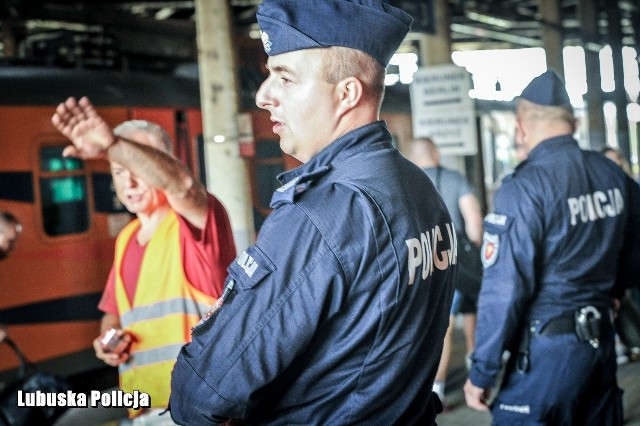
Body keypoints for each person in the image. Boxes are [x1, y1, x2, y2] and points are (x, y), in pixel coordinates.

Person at [167, 1, 456, 424]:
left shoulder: (321, 215)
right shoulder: (418, 188)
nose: (264, 96)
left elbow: (202, 391)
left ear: (347, 94)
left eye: (285, 77)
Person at [464, 69, 640, 424]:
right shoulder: (612, 175)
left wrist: (482, 370)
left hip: (546, 353)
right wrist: (616, 289)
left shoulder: (524, 188)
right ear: (572, 123)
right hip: (600, 343)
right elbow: (635, 245)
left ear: (522, 125)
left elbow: (504, 289)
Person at [49, 113, 237, 423]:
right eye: (119, 171)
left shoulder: (194, 223)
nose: (129, 183)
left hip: (194, 408)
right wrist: (108, 339)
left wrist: (112, 144)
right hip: (143, 405)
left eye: (138, 169)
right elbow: (115, 313)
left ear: (162, 166)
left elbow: (184, 185)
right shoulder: (126, 239)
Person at [408, 137, 483, 405]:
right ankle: (475, 365)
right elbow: (474, 224)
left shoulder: (406, 182)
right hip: (458, 262)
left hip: (421, 264)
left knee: (441, 325)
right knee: (469, 311)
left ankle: (436, 386)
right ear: (435, 153)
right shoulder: (455, 179)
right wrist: (472, 248)